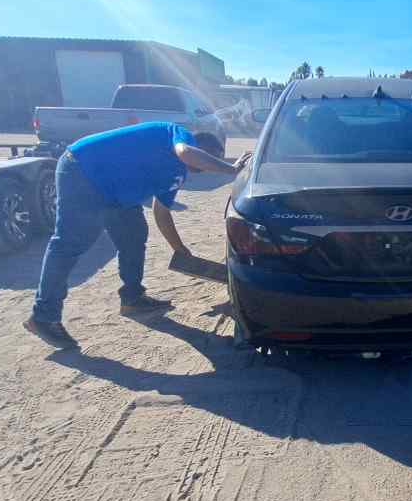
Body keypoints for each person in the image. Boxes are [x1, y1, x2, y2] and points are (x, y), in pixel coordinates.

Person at [25, 121, 250, 349]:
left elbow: (161, 212)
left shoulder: (176, 173)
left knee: (134, 235)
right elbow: (186, 152)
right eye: (212, 157)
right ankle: (43, 317)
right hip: (82, 170)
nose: (209, 165)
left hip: (114, 192)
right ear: (202, 146)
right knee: (70, 243)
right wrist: (231, 169)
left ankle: (132, 298)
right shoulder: (179, 134)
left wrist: (179, 249)